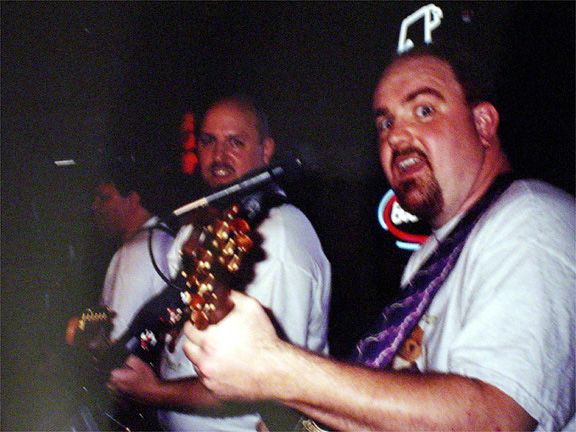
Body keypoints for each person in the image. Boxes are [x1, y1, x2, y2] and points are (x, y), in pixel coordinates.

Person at [182, 45, 575, 431]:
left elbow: (494, 422)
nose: (396, 136)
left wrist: (277, 371)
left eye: (424, 110)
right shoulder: (428, 259)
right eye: (385, 123)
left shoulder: (534, 220)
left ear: (483, 123)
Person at [108, 95, 332, 431]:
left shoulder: (279, 235)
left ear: (266, 150)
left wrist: (155, 392)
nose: (219, 156)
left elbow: (269, 382)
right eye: (208, 141)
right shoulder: (202, 223)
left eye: (235, 142)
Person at [92, 163, 175, 343]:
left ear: (132, 200)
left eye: (104, 198)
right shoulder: (164, 237)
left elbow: (117, 336)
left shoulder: (134, 253)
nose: (95, 206)